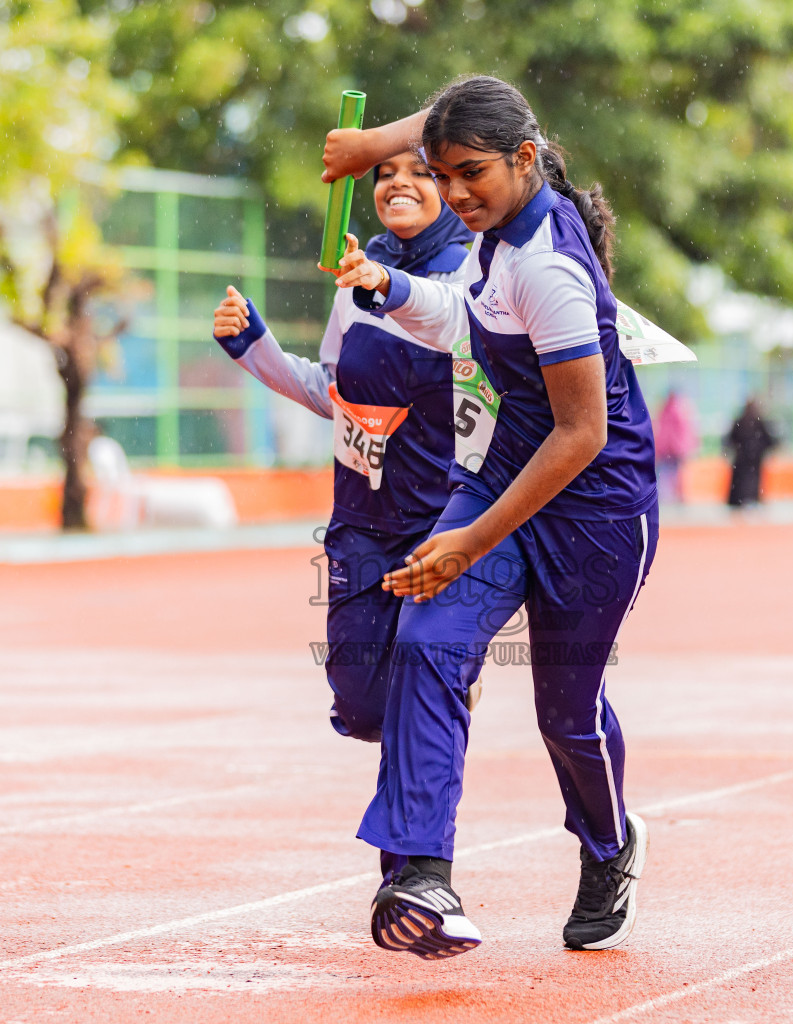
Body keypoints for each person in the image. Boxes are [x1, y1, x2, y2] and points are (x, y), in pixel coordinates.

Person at [325, 75, 659, 959]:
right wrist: (391, 288)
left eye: (470, 173)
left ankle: (609, 844)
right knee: (428, 640)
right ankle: (420, 876)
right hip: (505, 472)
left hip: (595, 506)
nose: (456, 194)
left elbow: (583, 433)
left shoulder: (546, 262)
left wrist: (470, 538)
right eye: (443, 174)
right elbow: (468, 323)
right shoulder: (496, 238)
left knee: (567, 714)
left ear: (523, 159)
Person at [211, 155, 473, 821]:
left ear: (451, 186)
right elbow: (334, 390)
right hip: (360, 525)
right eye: (383, 173)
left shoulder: (476, 275)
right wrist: (256, 345)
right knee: (360, 705)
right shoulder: (352, 278)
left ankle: (417, 863)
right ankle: (433, 723)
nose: (397, 184)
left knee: (424, 679)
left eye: (420, 171)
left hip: (443, 521)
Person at [725, 397, 775, 508]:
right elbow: (769, 440)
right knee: (752, 480)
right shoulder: (758, 421)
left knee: (742, 481)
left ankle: (741, 500)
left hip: (742, 458)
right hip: (754, 458)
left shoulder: (741, 421)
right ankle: (750, 499)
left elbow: (730, 439)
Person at [654, 387, 698, 504]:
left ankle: (670, 497)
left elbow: (662, 431)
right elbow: (685, 431)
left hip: (669, 448)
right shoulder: (680, 410)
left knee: (667, 474)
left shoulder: (665, 410)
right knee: (676, 474)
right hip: (674, 448)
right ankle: (677, 496)